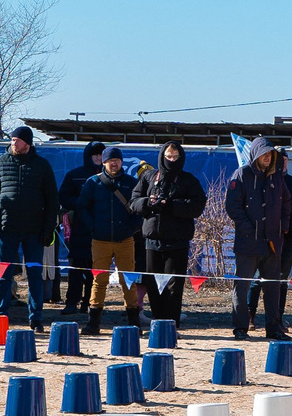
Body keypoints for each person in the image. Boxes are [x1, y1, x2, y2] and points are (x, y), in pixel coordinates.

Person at [224, 138, 292, 339]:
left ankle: (274, 327)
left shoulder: (277, 177)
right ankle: (241, 327)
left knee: (273, 286)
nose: (267, 157)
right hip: (247, 243)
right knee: (242, 286)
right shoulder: (242, 175)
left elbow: (286, 202)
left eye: (270, 154)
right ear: (255, 154)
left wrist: (283, 227)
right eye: (264, 154)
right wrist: (248, 229)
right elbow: (232, 206)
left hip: (273, 243)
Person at [0, 126, 60, 328]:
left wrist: (48, 229)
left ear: (27, 143)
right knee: (3, 274)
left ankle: (36, 318)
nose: (13, 143)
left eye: (17, 140)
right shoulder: (0, 163)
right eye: (12, 140)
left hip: (34, 230)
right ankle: (1, 317)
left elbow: (52, 200)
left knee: (34, 275)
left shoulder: (42, 165)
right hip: (6, 228)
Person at [77, 147, 145, 331]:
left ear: (121, 162)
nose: (114, 163)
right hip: (100, 240)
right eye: (110, 160)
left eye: (117, 160)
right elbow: (82, 208)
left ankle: (133, 321)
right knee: (99, 281)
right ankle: (93, 322)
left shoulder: (132, 183)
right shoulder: (93, 183)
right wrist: (93, 228)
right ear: (104, 162)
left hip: (125, 240)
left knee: (128, 281)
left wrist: (132, 227)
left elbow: (140, 209)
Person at [139, 141, 206, 326]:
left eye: (175, 157)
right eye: (168, 157)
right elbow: (133, 201)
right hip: (152, 240)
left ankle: (171, 324)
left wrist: (171, 205)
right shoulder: (149, 177)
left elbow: (197, 205)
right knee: (153, 285)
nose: (172, 160)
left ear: (181, 157)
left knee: (174, 287)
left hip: (178, 242)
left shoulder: (188, 180)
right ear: (162, 156)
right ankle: (157, 323)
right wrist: (148, 203)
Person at [57, 141, 107, 320]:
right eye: (95, 155)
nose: (98, 158)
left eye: (101, 155)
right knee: (77, 268)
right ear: (88, 156)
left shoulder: (110, 176)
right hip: (79, 228)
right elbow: (63, 197)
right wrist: (81, 204)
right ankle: (72, 302)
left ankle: (90, 302)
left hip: (101, 229)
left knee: (96, 270)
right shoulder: (75, 175)